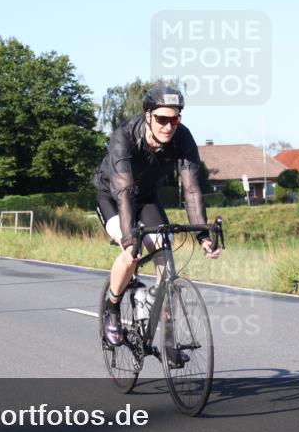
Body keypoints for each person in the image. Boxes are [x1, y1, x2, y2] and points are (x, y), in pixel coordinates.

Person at [93, 86, 221, 366]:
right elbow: (124, 192)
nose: (168, 126)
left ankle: (169, 340)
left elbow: (191, 189)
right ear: (148, 115)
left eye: (174, 119)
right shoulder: (123, 138)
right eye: (162, 119)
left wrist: (202, 234)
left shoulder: (183, 138)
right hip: (113, 197)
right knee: (132, 253)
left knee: (167, 250)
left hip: (147, 197)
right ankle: (112, 307)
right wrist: (131, 240)